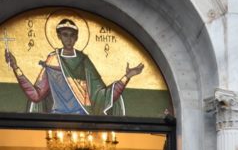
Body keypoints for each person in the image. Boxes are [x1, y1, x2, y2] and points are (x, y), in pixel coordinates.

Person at [5, 18, 144, 115]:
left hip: (82, 115)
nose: (69, 39)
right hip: (57, 116)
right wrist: (16, 68)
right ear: (59, 36)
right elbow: (36, 95)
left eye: (72, 35)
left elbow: (101, 95)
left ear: (77, 38)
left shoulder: (83, 61)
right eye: (65, 35)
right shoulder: (53, 60)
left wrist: (127, 77)